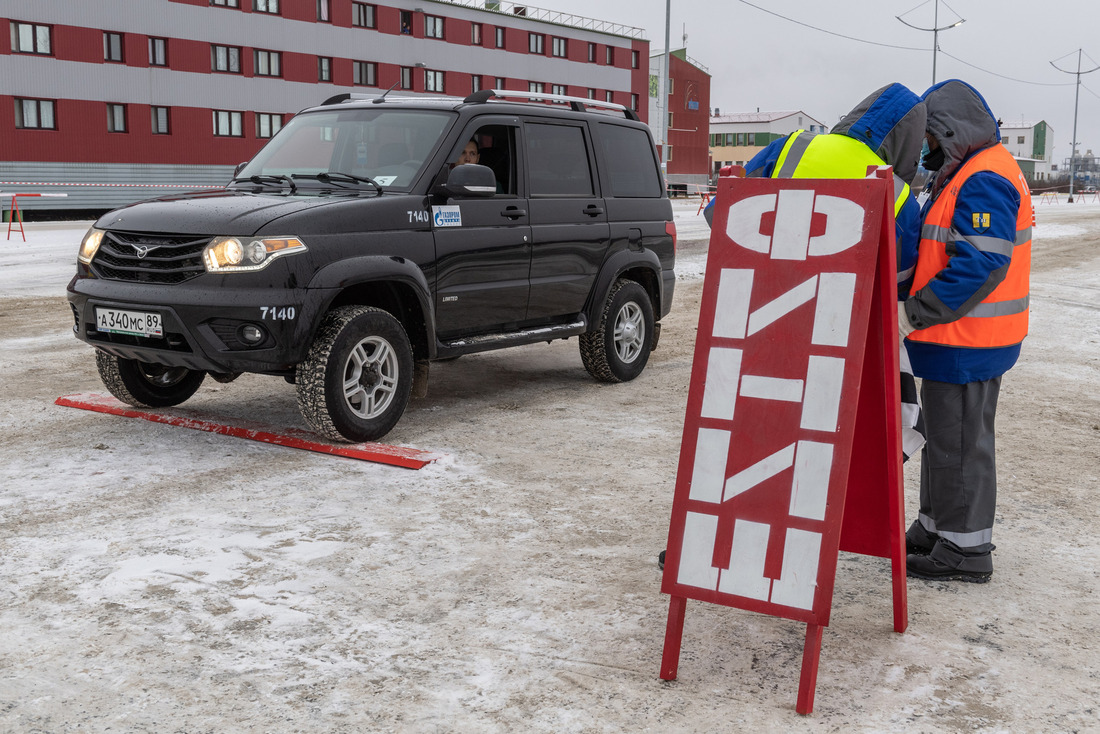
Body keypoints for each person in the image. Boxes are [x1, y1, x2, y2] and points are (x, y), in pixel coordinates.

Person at [662, 84, 928, 571]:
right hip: (836, 336)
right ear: (907, 139)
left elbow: (724, 209)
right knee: (814, 440)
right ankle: (797, 544)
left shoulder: (794, 145)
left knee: (740, 430)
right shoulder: (896, 190)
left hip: (755, 317)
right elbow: (902, 280)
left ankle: (701, 540)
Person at [901, 79, 1032, 583]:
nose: (927, 150)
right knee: (944, 441)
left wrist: (914, 313)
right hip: (956, 337)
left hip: (968, 339)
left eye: (931, 138)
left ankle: (965, 551)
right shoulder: (969, 171)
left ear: (950, 131)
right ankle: (937, 528)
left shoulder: (985, 178)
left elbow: (980, 266)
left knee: (959, 443)